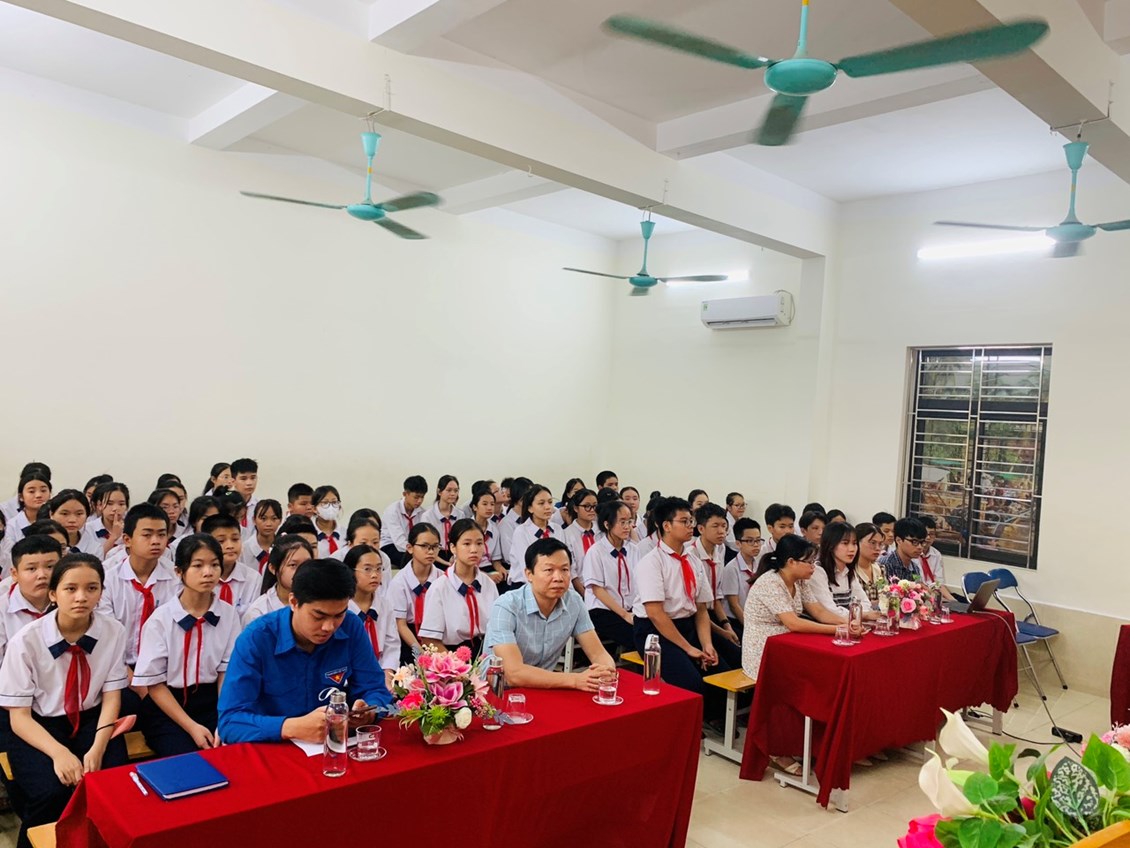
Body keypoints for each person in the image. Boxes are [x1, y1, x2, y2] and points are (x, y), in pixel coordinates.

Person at [0, 554, 129, 844]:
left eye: (91, 588)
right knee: (51, 793)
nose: (81, 597)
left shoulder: (113, 631)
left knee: (112, 782)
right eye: (70, 589)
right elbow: (19, 717)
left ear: (101, 592)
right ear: (53, 594)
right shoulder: (26, 641)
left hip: (93, 720)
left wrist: (98, 746)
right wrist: (59, 754)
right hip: (39, 725)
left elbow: (111, 697)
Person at [217, 559, 393, 744]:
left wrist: (369, 711)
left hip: (334, 744)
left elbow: (375, 689)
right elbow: (230, 722)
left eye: (338, 615)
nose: (329, 627)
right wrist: (290, 727)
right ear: (294, 602)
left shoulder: (350, 626)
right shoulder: (257, 638)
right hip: (274, 747)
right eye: (318, 616)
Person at [742, 536, 859, 772]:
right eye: (809, 562)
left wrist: (848, 623)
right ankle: (778, 747)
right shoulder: (770, 583)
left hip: (790, 644)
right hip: (763, 648)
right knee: (798, 682)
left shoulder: (801, 581)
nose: (813, 567)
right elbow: (793, 623)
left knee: (823, 675)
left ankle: (817, 742)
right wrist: (838, 630)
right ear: (791, 562)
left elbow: (819, 612)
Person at [132, 534, 240, 757]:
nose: (208, 572)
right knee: (188, 758)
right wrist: (192, 727)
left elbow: (225, 672)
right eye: (198, 565)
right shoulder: (160, 620)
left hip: (214, 701)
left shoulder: (229, 614)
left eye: (214, 565)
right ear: (179, 572)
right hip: (168, 706)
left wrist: (224, 718)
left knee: (231, 750)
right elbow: (155, 685)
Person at [631, 497, 729, 702]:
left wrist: (706, 644)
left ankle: (714, 715)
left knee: (725, 671)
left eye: (691, 521)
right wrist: (688, 648)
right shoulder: (652, 562)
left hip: (687, 624)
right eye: (684, 521)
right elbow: (656, 614)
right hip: (654, 631)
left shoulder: (693, 560)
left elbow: (701, 608)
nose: (690, 526)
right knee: (691, 684)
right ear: (667, 526)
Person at [485, 537, 615, 690]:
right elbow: (513, 673)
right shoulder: (506, 606)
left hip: (544, 687)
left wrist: (606, 671)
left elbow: (598, 654)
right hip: (496, 691)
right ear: (529, 574)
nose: (558, 578)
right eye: (549, 570)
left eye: (564, 570)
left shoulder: (574, 601)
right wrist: (575, 679)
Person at [101, 503, 176, 671]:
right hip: (117, 666)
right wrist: (130, 676)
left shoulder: (176, 578)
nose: (156, 541)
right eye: (147, 535)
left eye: (161, 535)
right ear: (127, 540)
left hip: (164, 667)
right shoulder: (108, 580)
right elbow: (107, 635)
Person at [418, 520, 498, 658]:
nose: (474, 550)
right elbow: (430, 639)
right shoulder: (439, 587)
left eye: (479, 543)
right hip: (451, 656)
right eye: (466, 544)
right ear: (453, 547)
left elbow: (498, 630)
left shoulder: (489, 584)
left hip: (487, 652)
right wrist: (456, 664)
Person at [581, 500, 638, 652]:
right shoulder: (596, 552)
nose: (627, 527)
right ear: (607, 524)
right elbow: (597, 590)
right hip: (602, 610)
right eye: (622, 522)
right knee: (638, 637)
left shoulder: (634, 549)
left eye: (629, 521)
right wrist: (625, 615)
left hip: (630, 609)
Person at [690, 503, 741, 661]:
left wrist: (726, 625)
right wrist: (723, 632)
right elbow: (697, 607)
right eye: (715, 526)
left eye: (724, 526)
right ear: (701, 529)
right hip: (696, 617)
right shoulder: (691, 555)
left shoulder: (720, 549)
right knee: (731, 657)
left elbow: (716, 595)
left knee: (740, 650)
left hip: (713, 613)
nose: (721, 531)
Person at [343, 545, 399, 687]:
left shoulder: (385, 605)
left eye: (379, 569)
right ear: (351, 572)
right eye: (367, 569)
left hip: (380, 675)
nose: (375, 575)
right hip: (348, 678)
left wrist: (387, 678)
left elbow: (391, 644)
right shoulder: (341, 609)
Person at [0, 536, 62, 663]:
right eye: (32, 569)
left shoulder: (74, 603)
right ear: (15, 574)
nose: (42, 575)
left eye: (50, 567)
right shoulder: (2, 609)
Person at [242, 535, 313, 626]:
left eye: (307, 563)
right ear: (273, 568)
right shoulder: (259, 613)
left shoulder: (321, 601)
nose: (302, 570)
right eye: (293, 565)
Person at [807, 522, 873, 618]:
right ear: (831, 545)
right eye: (845, 543)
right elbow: (830, 610)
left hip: (848, 622)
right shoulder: (817, 571)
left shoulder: (848, 571)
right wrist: (861, 615)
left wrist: (860, 614)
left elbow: (865, 602)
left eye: (854, 543)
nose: (852, 549)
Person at [202, 514, 260, 618]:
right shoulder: (200, 577)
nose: (230, 546)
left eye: (235, 539)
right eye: (221, 541)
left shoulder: (253, 578)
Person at [0, 472, 53, 575]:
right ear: (21, 497)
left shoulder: (55, 521)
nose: (38, 495)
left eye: (43, 490)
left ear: (50, 493)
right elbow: (8, 559)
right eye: (31, 491)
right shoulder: (12, 525)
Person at [508, 484, 557, 588]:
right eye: (541, 503)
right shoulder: (521, 532)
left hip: (553, 582)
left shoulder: (558, 529)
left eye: (550, 502)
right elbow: (526, 566)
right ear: (530, 508)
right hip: (526, 585)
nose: (548, 507)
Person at [720, 517, 761, 634]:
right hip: (737, 620)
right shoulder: (731, 568)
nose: (756, 545)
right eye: (750, 541)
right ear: (738, 543)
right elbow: (734, 605)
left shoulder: (759, 564)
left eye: (758, 540)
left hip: (755, 618)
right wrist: (751, 628)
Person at [379, 475, 427, 568]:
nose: (420, 501)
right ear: (405, 494)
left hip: (412, 547)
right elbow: (399, 540)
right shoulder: (392, 511)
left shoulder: (422, 513)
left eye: (422, 497)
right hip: (390, 545)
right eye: (416, 497)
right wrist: (416, 551)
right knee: (411, 560)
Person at [562, 489, 599, 594]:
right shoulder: (567, 534)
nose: (592, 510)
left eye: (595, 506)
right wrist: (584, 594)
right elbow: (572, 569)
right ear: (576, 508)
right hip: (581, 588)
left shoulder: (602, 531)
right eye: (587, 506)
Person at [419, 475, 464, 561]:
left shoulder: (460, 515)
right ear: (439, 492)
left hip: (455, 553)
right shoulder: (427, 516)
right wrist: (445, 563)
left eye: (456, 490)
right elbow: (426, 544)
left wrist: (455, 557)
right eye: (449, 490)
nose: (453, 494)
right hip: (434, 554)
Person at [47, 490, 100, 558]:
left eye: (79, 514)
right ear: (51, 514)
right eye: (65, 514)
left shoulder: (94, 548)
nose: (72, 520)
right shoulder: (39, 541)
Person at [468, 489, 505, 583]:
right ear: (475, 507)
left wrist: (500, 569)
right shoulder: (465, 528)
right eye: (484, 504)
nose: (489, 508)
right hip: (470, 569)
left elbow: (495, 560)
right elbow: (462, 562)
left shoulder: (494, 529)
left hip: (488, 568)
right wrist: (485, 576)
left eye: (492, 504)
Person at [918, 516, 957, 601]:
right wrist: (933, 596)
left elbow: (938, 583)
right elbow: (917, 582)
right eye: (925, 534)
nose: (928, 538)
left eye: (931, 534)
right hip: (919, 594)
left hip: (935, 593)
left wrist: (953, 601)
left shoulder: (936, 554)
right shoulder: (912, 554)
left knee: (960, 602)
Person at [878, 517, 928, 582]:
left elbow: (918, 585)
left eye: (922, 542)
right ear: (899, 540)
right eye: (914, 542)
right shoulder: (884, 565)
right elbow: (881, 587)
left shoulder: (915, 568)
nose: (920, 547)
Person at [241, 499, 282, 573]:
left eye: (274, 518)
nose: (268, 524)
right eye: (263, 518)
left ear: (280, 520)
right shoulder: (243, 550)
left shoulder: (284, 547)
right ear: (254, 520)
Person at [852, 522, 887, 607]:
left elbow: (885, 596)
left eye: (880, 544)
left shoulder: (880, 569)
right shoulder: (850, 571)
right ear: (857, 543)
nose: (877, 548)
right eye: (872, 543)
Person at [309, 485, 344, 557]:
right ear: (314, 508)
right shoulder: (309, 534)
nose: (330, 507)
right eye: (325, 503)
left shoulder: (345, 533)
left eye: (334, 502)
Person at [230, 458, 259, 537]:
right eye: (243, 479)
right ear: (233, 481)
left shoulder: (259, 506)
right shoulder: (225, 504)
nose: (249, 483)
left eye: (253, 478)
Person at [723, 492, 746, 559]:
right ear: (729, 507)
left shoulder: (740, 521)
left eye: (743, 505)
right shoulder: (725, 522)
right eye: (737, 505)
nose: (741, 508)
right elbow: (732, 544)